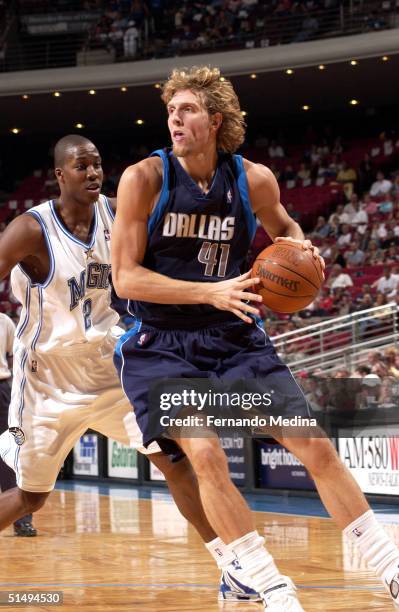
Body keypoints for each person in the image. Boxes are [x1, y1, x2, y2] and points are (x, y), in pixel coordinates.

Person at [111, 66, 399, 610]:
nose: (175, 117)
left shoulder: (253, 180)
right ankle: (271, 586)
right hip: (162, 343)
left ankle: (391, 568)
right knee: (206, 456)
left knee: (315, 447)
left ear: (215, 119)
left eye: (188, 108)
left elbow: (285, 228)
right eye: (171, 109)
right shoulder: (144, 179)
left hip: (233, 337)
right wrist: (210, 292)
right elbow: (125, 277)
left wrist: (302, 247)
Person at [0, 134, 260, 604]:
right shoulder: (31, 229)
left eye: (98, 164)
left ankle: (232, 564)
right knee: (30, 497)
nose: (94, 172)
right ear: (60, 175)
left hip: (110, 366)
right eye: (82, 166)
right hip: (47, 380)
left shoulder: (118, 212)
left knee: (175, 459)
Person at [0, 312, 36, 536]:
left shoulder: (4, 320)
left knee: (10, 452)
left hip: (2, 388)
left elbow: (15, 356)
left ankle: (21, 520)